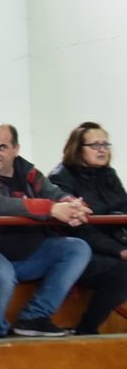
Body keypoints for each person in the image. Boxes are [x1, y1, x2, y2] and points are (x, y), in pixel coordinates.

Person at [0, 123, 92, 338]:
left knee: (77, 248)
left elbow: (54, 193)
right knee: (1, 271)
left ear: (16, 149)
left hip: (27, 253)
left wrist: (73, 205)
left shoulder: (27, 171)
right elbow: (0, 206)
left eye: (1, 147)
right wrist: (51, 209)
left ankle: (34, 317)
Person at [49, 122, 127, 333]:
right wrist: (120, 251)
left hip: (113, 244)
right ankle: (87, 329)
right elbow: (79, 230)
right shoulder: (60, 178)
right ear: (77, 148)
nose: (102, 150)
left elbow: (124, 210)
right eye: (95, 145)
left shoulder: (108, 174)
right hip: (80, 251)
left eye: (105, 144)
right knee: (124, 272)